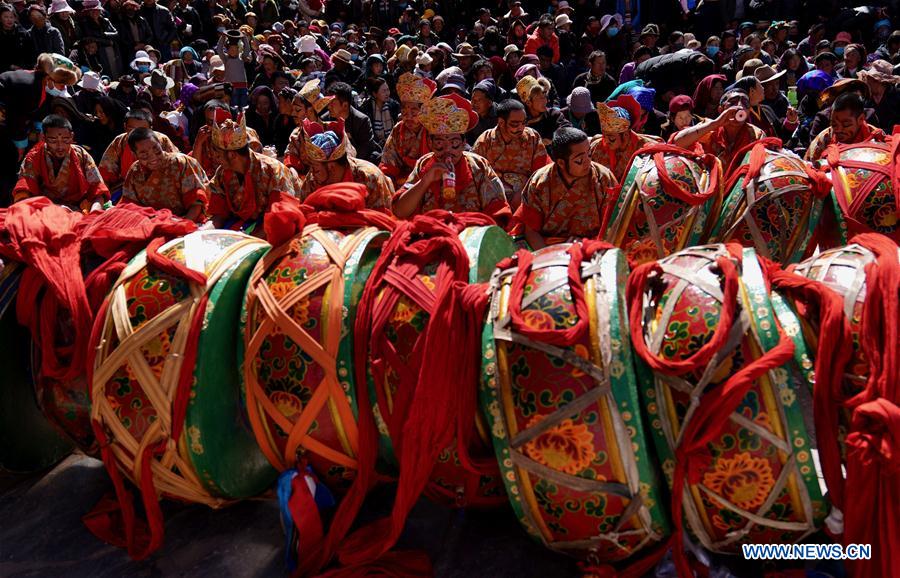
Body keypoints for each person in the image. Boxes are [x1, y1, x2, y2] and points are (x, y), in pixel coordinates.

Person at [394, 93, 511, 224]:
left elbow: (498, 213)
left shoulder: (478, 165)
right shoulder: (424, 164)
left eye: (454, 142)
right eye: (439, 142)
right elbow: (400, 211)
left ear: (463, 143)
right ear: (430, 143)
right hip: (431, 231)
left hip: (469, 233)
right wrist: (425, 181)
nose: (447, 150)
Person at [515, 126, 617, 248]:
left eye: (589, 154)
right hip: (550, 247)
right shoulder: (540, 182)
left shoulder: (604, 178)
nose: (588, 162)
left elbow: (613, 226)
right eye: (579, 159)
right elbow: (531, 231)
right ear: (561, 163)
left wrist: (587, 246)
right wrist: (551, 256)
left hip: (593, 245)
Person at [208, 114, 301, 231]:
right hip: (245, 227)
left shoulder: (272, 170)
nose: (215, 159)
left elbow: (280, 218)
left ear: (231, 155)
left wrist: (247, 240)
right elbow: (219, 215)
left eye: (218, 155)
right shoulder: (221, 173)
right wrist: (201, 233)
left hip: (275, 226)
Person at [13, 114, 108, 212]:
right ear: (44, 138)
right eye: (53, 140)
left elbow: (98, 190)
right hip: (44, 211)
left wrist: (95, 212)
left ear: (72, 137)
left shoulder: (81, 155)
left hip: (77, 211)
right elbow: (23, 190)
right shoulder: (34, 157)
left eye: (65, 140)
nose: (60, 147)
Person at [297, 120, 393, 212]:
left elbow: (381, 218)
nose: (312, 174)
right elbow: (305, 212)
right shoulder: (312, 180)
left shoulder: (370, 177)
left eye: (316, 170)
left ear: (331, 167)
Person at [472, 99, 550, 209]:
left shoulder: (532, 137)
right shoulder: (485, 141)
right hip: (492, 194)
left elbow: (540, 172)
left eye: (523, 122)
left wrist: (524, 191)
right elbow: (475, 173)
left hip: (525, 192)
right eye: (515, 124)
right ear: (501, 122)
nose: (521, 128)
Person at [121, 127, 208, 220]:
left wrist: (182, 225)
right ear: (134, 154)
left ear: (160, 144)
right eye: (144, 153)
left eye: (155, 148)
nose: (152, 157)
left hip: (187, 219)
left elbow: (197, 205)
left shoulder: (181, 163)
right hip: (152, 220)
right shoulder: (134, 171)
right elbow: (129, 206)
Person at [671, 89, 767, 170]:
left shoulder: (757, 134)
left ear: (749, 111)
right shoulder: (709, 128)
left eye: (745, 103)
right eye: (733, 102)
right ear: (721, 109)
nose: (740, 106)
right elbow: (678, 142)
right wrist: (716, 123)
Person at [98, 107, 176, 192]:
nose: (137, 134)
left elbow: (175, 164)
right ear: (125, 127)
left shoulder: (161, 140)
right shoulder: (120, 141)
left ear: (150, 128)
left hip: (161, 185)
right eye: (131, 129)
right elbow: (106, 170)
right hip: (126, 186)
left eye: (142, 130)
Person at [378, 73, 434, 187]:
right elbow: (389, 160)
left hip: (428, 178)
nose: (408, 117)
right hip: (402, 181)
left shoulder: (432, 130)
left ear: (423, 111)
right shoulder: (398, 129)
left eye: (414, 112)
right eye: (404, 112)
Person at [589, 96, 661, 182]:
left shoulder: (647, 148)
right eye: (604, 136)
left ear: (626, 135)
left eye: (611, 138)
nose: (606, 141)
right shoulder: (596, 147)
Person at [805, 93, 886, 162]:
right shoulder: (825, 138)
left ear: (861, 119)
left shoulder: (877, 138)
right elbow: (808, 165)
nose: (838, 130)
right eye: (834, 124)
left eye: (846, 125)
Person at [326, 81, 382, 164]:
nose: (328, 107)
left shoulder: (362, 120)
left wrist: (346, 162)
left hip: (357, 160)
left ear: (345, 105)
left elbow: (365, 148)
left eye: (332, 103)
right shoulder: (326, 119)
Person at [516, 74, 570, 146]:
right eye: (541, 98)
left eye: (545, 97)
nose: (546, 101)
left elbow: (567, 129)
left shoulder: (553, 114)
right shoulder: (519, 121)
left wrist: (553, 140)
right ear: (528, 102)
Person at [360, 76, 399, 148]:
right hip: (374, 146)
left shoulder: (393, 105)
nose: (387, 93)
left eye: (388, 90)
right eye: (383, 91)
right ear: (374, 94)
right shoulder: (366, 108)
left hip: (393, 143)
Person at [0, 3, 34, 71]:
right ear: (0, 19)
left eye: (11, 17)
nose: (9, 20)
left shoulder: (23, 33)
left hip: (22, 69)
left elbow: (30, 54)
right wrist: (9, 66)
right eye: (6, 17)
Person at [467, 79, 499, 144]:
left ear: (489, 103)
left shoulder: (500, 115)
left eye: (479, 100)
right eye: (473, 99)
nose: (474, 103)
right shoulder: (468, 114)